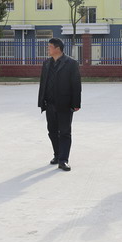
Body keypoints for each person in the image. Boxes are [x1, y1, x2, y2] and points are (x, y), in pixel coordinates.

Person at [37, 37, 81, 171]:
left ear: (57, 48)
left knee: (65, 132)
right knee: (52, 132)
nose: (48, 49)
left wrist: (76, 103)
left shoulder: (71, 63)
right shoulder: (46, 63)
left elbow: (76, 84)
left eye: (49, 47)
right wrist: (41, 101)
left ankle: (63, 160)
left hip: (65, 104)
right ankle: (57, 155)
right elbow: (43, 83)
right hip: (49, 104)